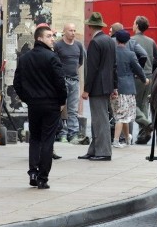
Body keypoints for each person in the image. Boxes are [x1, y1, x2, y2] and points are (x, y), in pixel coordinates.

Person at [12, 25, 67, 189]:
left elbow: (17, 83)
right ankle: (43, 177)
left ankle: (33, 172)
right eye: (49, 36)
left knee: (35, 138)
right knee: (47, 139)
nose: (53, 39)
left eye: (52, 36)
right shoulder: (52, 57)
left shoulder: (25, 58)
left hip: (34, 104)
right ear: (39, 38)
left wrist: (26, 98)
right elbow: (60, 83)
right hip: (51, 104)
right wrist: (62, 101)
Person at [78, 12, 117, 162]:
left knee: (100, 120)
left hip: (97, 87)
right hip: (106, 85)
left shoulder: (95, 43)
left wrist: (86, 89)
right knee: (98, 119)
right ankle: (94, 149)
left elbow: (92, 69)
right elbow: (114, 66)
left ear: (90, 27)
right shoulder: (109, 40)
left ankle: (104, 152)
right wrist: (115, 87)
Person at [111, 30, 148, 148]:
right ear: (128, 41)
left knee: (123, 115)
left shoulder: (111, 53)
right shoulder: (130, 54)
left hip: (114, 88)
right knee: (122, 116)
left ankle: (127, 138)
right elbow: (138, 69)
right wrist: (144, 79)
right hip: (127, 88)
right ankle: (116, 141)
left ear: (116, 40)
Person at [53, 22, 87, 143]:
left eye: (74, 30)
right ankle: (61, 132)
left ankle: (73, 133)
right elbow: (54, 63)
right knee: (61, 107)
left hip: (74, 80)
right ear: (64, 32)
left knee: (73, 108)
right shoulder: (58, 45)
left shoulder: (78, 45)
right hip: (62, 80)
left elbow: (80, 62)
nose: (73, 33)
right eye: (70, 31)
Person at [132, 15, 157, 144]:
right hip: (149, 76)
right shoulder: (151, 41)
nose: (133, 25)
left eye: (134, 23)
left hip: (136, 76)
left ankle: (147, 123)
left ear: (137, 26)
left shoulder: (131, 40)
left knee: (131, 104)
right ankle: (143, 134)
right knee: (143, 104)